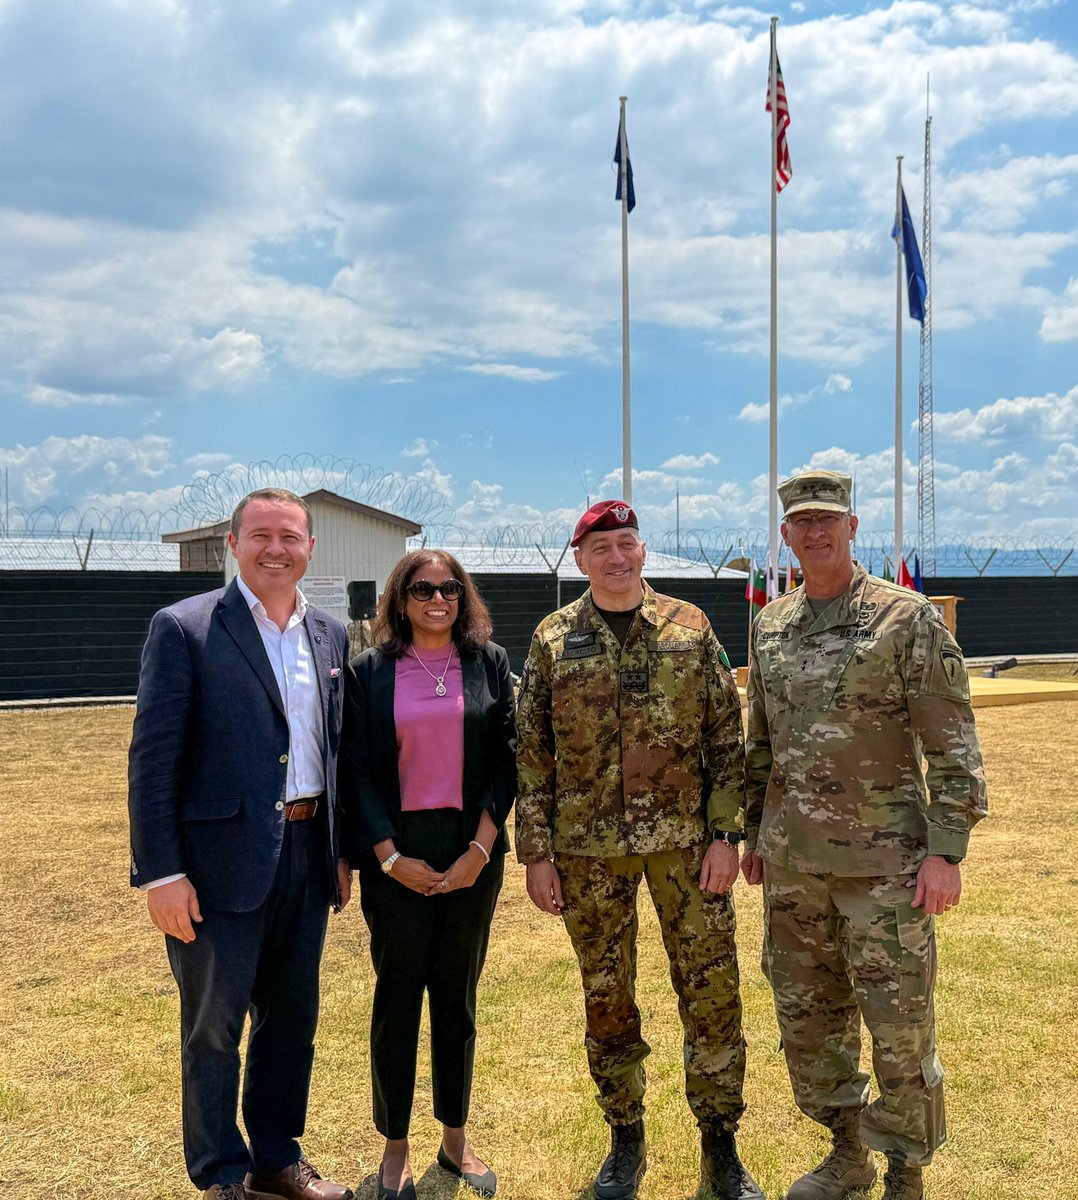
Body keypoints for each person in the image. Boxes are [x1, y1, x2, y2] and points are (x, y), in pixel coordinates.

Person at [742, 469, 988, 1200]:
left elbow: (953, 745)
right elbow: (762, 744)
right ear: (786, 535)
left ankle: (905, 1173)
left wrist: (946, 850)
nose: (815, 533)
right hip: (793, 870)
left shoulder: (905, 619)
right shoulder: (770, 626)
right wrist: (753, 832)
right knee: (809, 1023)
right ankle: (845, 1155)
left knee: (899, 1027)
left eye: (829, 520)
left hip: (886, 867)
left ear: (854, 528)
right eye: (801, 523)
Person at [515, 500, 762, 1200]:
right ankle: (625, 1138)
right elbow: (531, 750)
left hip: (688, 849)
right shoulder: (554, 638)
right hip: (587, 852)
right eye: (601, 549)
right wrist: (535, 851)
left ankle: (720, 1146)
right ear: (581, 560)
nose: (617, 558)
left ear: (643, 550)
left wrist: (725, 836)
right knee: (607, 998)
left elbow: (724, 736)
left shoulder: (691, 626)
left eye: (627, 544)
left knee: (712, 994)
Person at [128, 488, 353, 1200]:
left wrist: (339, 850)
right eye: (261, 535)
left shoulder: (331, 634)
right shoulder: (185, 628)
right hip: (217, 867)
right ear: (234, 544)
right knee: (213, 1031)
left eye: (290, 536)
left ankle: (276, 1160)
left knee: (291, 1023)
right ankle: (221, 1175)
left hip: (308, 854)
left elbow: (333, 749)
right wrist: (161, 871)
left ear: (310, 547)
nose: (276, 548)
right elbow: (153, 759)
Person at [339, 550, 516, 1200]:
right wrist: (386, 856)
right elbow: (354, 771)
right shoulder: (369, 673)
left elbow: (506, 762)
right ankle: (394, 1149)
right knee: (397, 1000)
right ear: (400, 598)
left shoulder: (490, 664)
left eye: (448, 589)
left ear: (463, 598)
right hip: (397, 856)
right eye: (421, 589)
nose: (436, 599)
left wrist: (479, 850)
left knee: (456, 998)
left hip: (473, 847)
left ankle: (454, 1139)